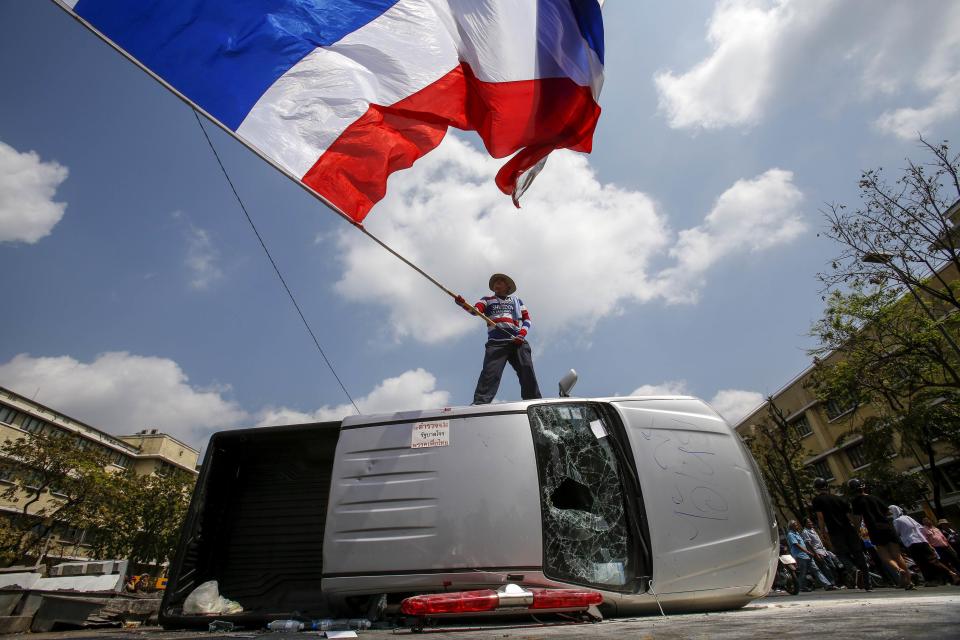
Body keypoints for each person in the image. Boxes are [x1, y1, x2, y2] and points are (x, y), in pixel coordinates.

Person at [455, 273, 542, 405]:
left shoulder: (517, 301)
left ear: (507, 286)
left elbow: (527, 320)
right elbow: (475, 311)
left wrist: (521, 335)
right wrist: (463, 304)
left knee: (526, 369)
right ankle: (480, 403)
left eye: (500, 282)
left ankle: (534, 402)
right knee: (490, 373)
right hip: (496, 343)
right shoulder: (487, 300)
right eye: (495, 282)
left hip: (517, 341)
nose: (497, 284)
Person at [848, 478, 913, 589]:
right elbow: (888, 511)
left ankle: (899, 570)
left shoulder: (856, 501)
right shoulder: (874, 498)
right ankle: (908, 581)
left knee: (885, 556)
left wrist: (857, 530)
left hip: (875, 530)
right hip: (887, 527)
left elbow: (858, 518)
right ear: (863, 487)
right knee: (897, 555)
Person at [811, 477, 872, 590]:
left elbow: (820, 517)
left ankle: (853, 570)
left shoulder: (817, 500)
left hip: (835, 531)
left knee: (840, 553)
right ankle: (868, 584)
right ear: (827, 486)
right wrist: (856, 529)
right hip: (849, 529)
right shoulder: (839, 499)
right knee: (859, 555)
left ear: (816, 488)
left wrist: (822, 532)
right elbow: (850, 516)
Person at [891, 506, 960, 585]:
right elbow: (920, 528)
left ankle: (932, 580)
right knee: (933, 561)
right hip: (922, 541)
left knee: (921, 563)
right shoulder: (908, 517)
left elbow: (897, 533)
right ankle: (950, 574)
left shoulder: (896, 521)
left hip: (912, 543)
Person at [786, 520, 836, 592]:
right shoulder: (790, 534)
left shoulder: (797, 533)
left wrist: (810, 552)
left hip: (807, 555)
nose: (797, 526)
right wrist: (808, 552)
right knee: (803, 572)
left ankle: (827, 585)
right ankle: (800, 586)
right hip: (800, 556)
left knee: (816, 570)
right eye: (796, 525)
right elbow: (797, 545)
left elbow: (805, 544)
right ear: (792, 526)